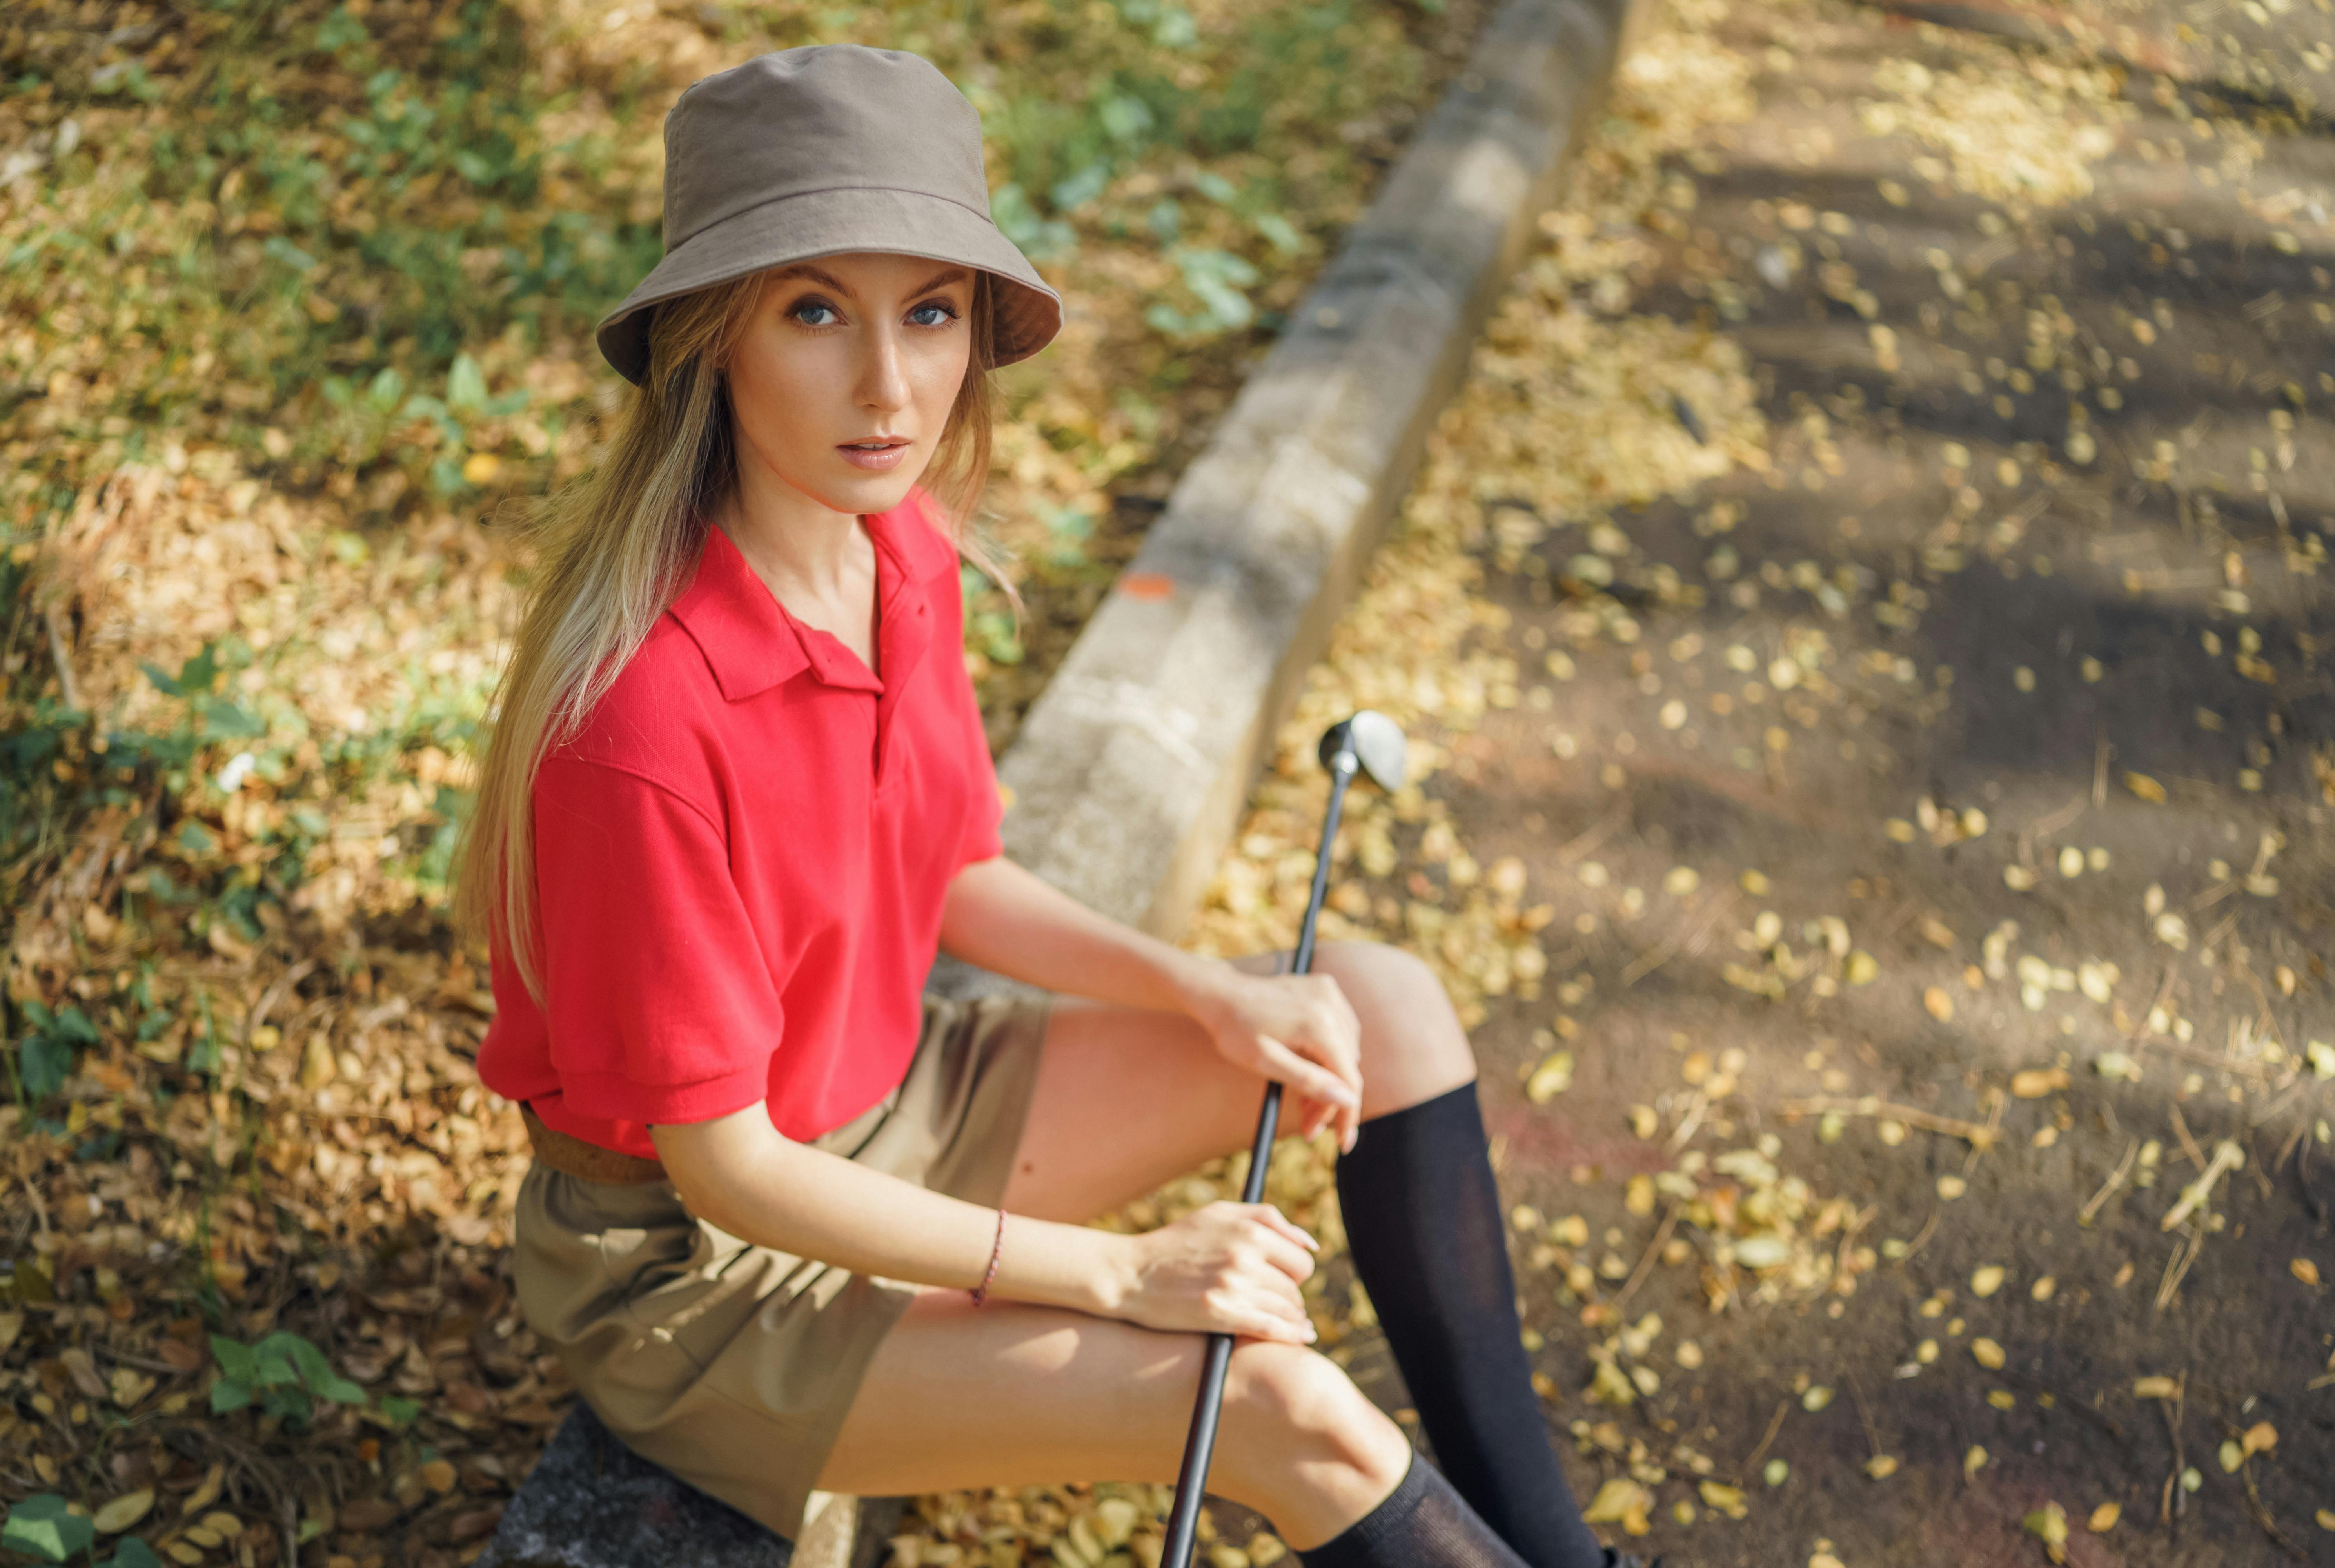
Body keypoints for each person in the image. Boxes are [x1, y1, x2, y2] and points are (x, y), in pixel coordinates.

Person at [456, 43, 1653, 1568]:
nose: (889, 385)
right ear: (712, 340)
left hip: (907, 1106)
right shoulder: (636, 719)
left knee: (1381, 1005)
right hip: (713, 1278)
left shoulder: (902, 552)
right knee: (1282, 1404)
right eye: (815, 310)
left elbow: (953, 874)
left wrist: (1206, 991)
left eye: (931, 311)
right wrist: (1118, 1272)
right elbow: (729, 1166)